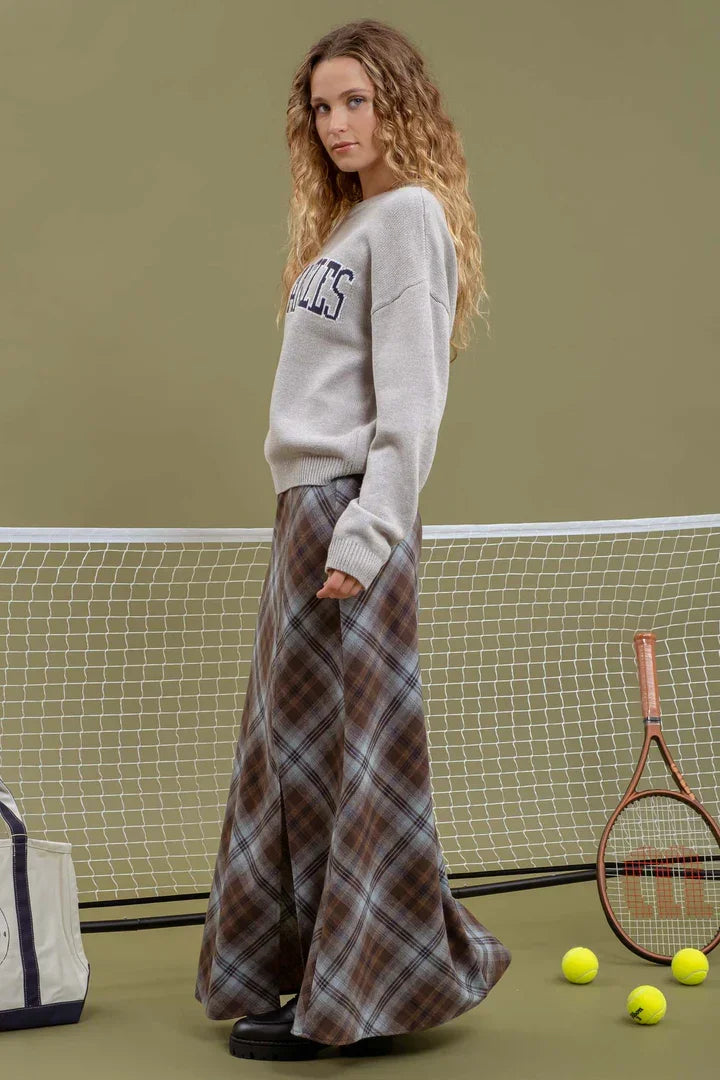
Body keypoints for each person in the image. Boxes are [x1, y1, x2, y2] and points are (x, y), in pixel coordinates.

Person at [194, 16, 511, 1061]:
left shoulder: (410, 218)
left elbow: (412, 401)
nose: (336, 123)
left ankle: (356, 999)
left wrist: (367, 535)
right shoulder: (341, 231)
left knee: (350, 761)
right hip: (306, 515)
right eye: (322, 106)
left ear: (398, 105)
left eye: (356, 101)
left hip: (349, 517)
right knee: (296, 762)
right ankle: (308, 978)